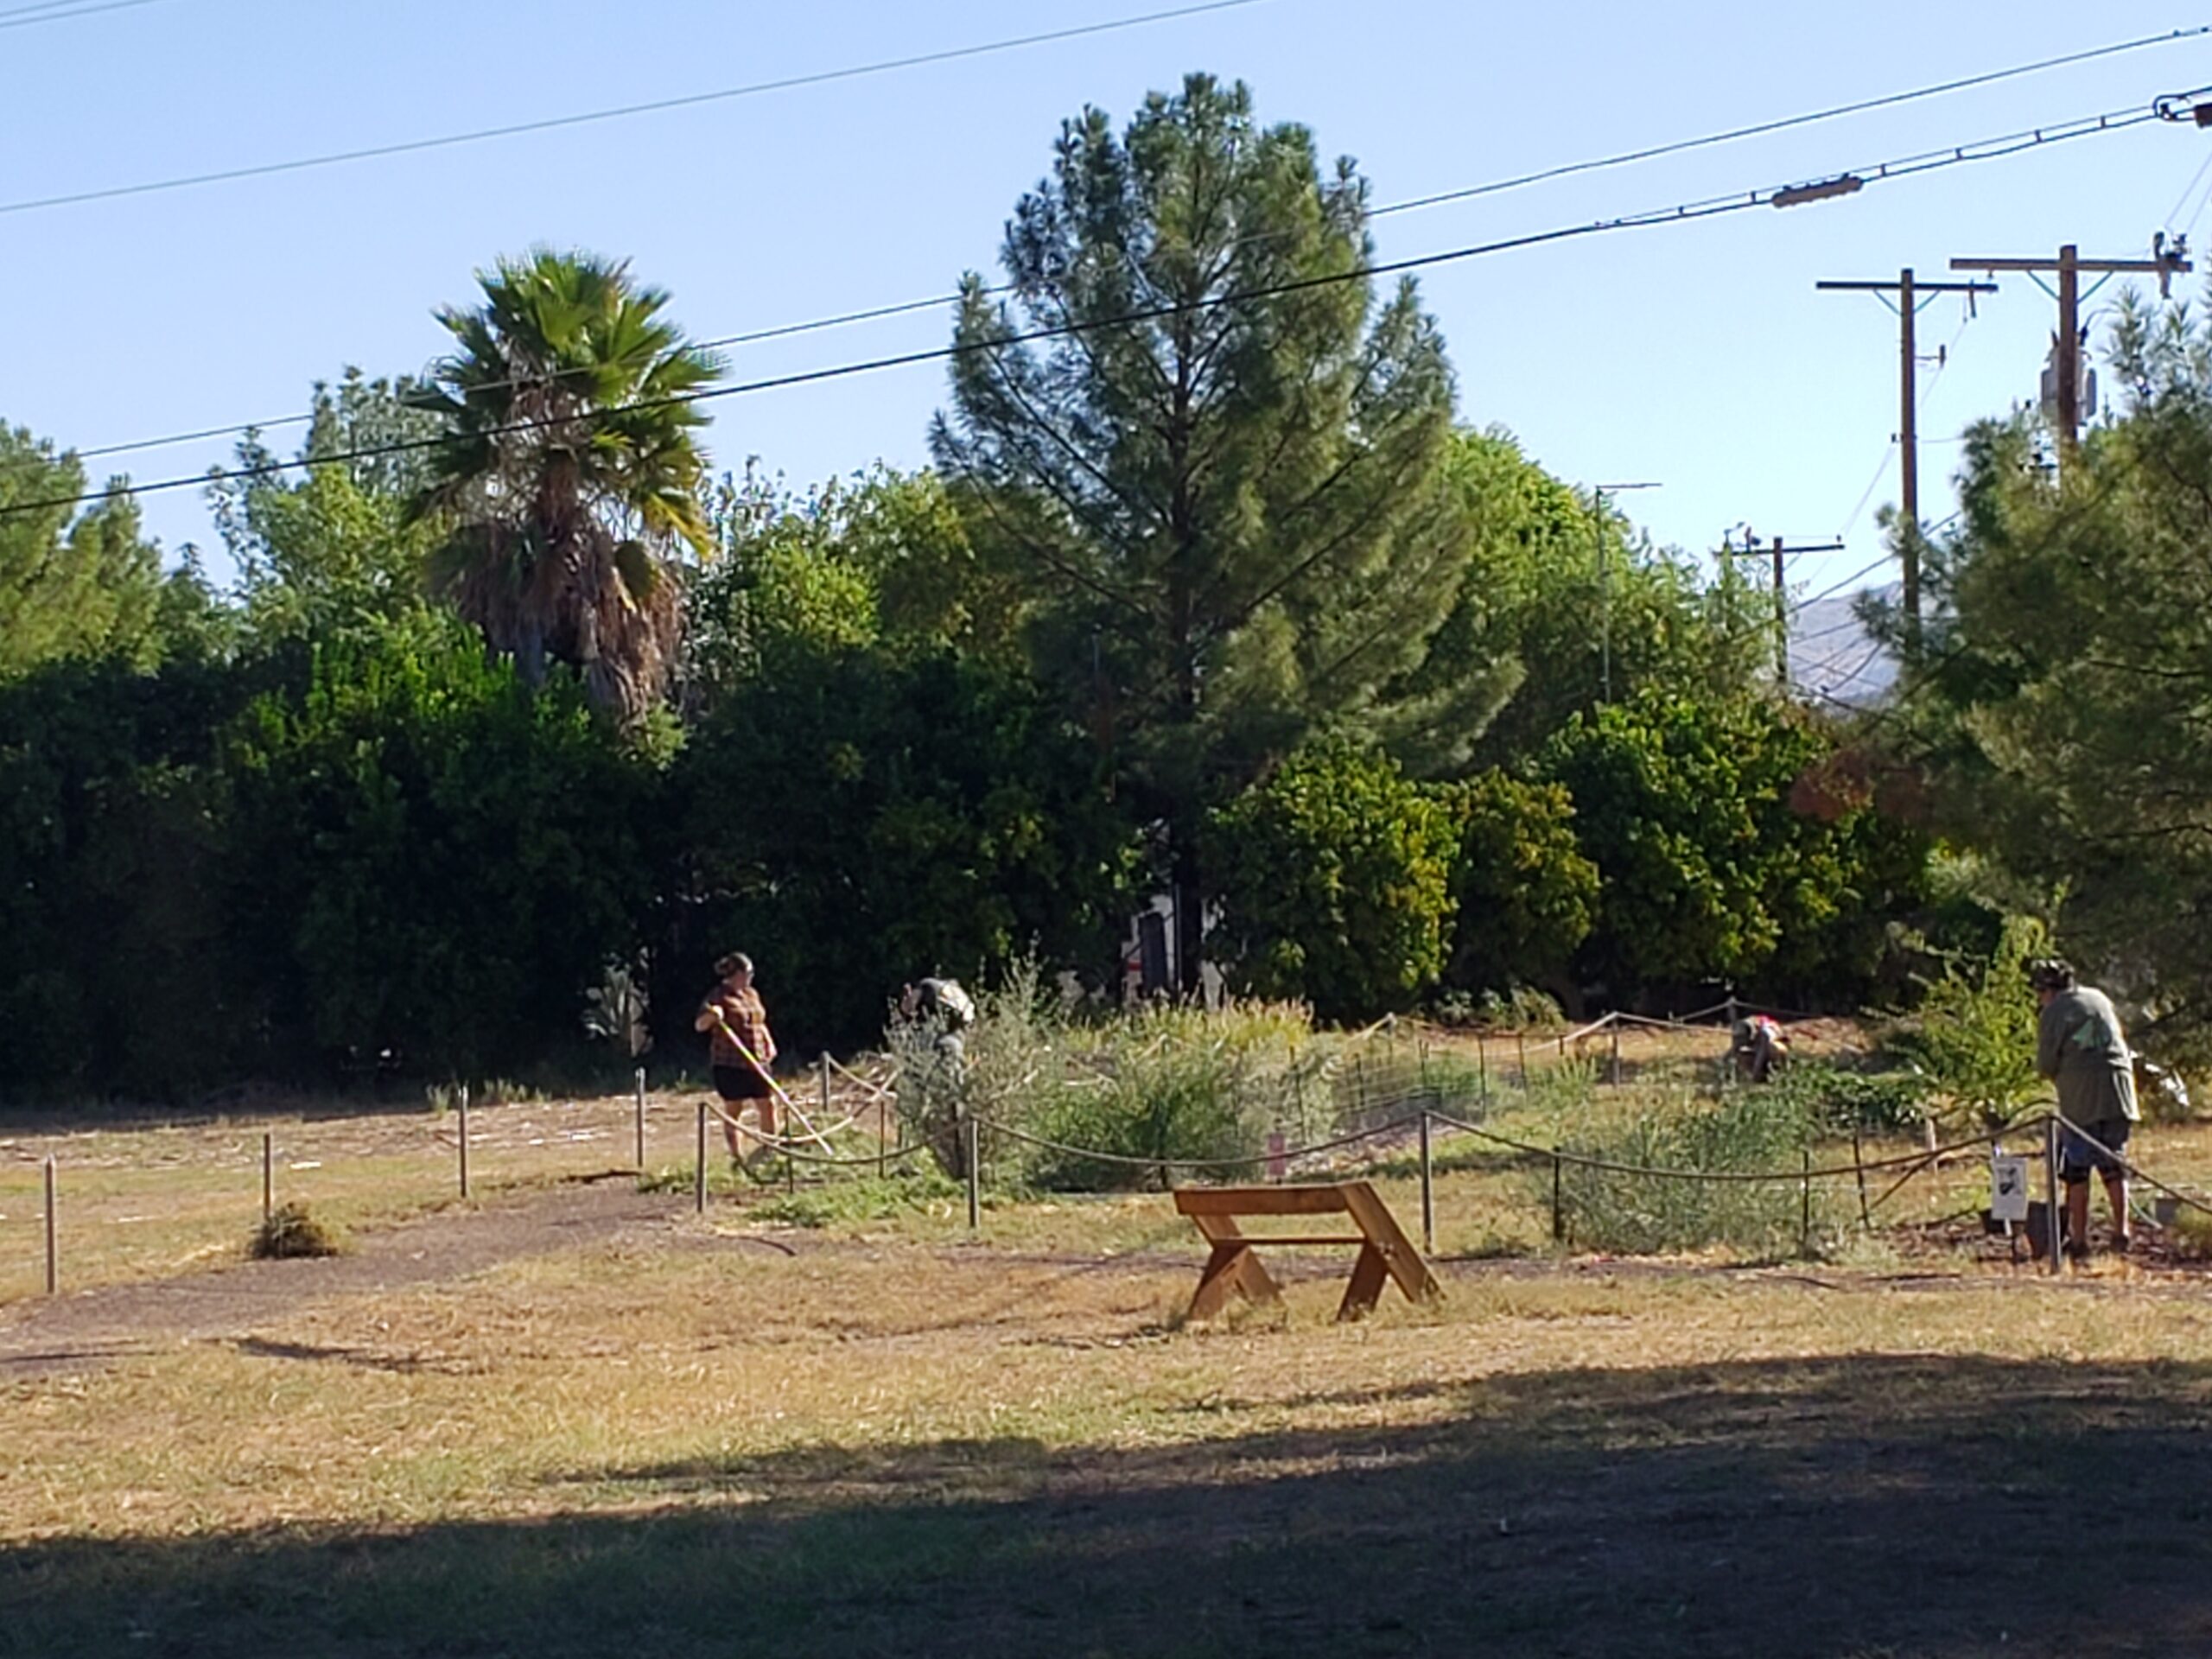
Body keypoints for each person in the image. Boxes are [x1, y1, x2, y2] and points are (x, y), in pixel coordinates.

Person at [2031, 957, 2139, 1257]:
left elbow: (2046, 1064)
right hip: (2120, 1093)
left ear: (2047, 990)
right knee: (2113, 1164)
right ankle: (2122, 1233)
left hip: (2082, 1098)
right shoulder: (2098, 998)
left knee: (2076, 1169)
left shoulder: (2053, 1012)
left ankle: (2079, 1242)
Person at [696, 951, 779, 1157]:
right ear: (736, 974)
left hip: (757, 1061)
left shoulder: (751, 994)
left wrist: (769, 1044)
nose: (750, 977)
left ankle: (770, 1150)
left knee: (768, 1104)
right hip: (731, 1063)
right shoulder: (718, 996)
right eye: (747, 973)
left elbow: (759, 1022)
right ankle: (737, 1155)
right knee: (734, 1109)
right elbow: (699, 1026)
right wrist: (713, 1016)